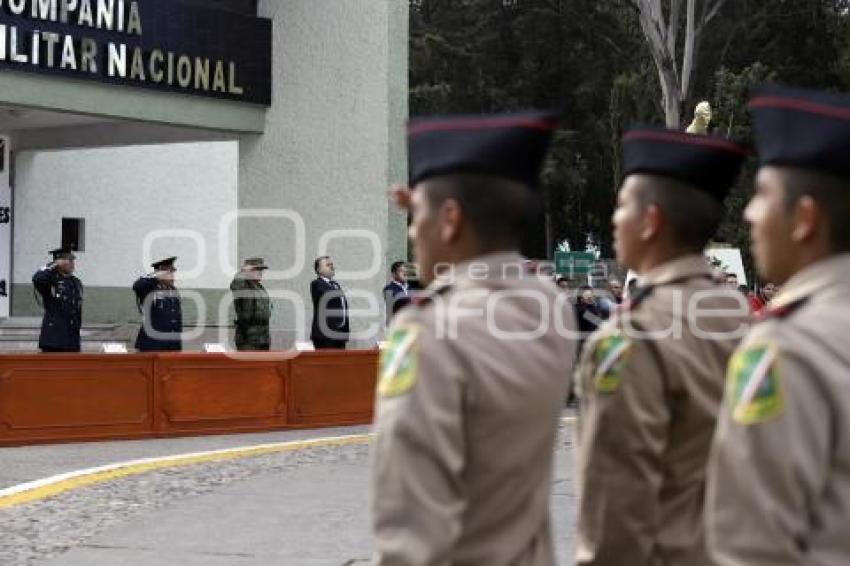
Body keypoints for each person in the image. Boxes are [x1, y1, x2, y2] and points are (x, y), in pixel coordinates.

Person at [372, 110, 576, 565]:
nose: (411, 232)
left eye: (415, 215)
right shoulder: (548, 307)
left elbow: (411, 526)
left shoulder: (429, 329)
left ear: (449, 220)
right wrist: (433, 200)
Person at [573, 126, 749, 566]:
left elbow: (615, 506)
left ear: (650, 221)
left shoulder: (631, 337)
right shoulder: (741, 316)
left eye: (621, 207)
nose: (614, 221)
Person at [705, 85, 850, 565]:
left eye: (762, 195)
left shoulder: (783, 347)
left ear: (805, 218)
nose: (748, 213)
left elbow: (751, 546)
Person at [32, 247, 83, 353]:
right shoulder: (50, 280)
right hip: (53, 339)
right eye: (69, 260)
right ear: (61, 262)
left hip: (72, 339)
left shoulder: (76, 282)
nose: (72, 263)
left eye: (72, 260)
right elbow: (37, 278)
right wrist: (53, 264)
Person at [133, 257, 182, 352]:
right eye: (169, 273)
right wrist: (155, 275)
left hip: (171, 344)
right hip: (152, 343)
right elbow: (137, 286)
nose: (172, 276)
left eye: (172, 272)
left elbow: (174, 318)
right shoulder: (149, 289)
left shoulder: (173, 290)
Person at [230, 257, 271, 351]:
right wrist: (243, 271)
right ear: (248, 271)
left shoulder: (259, 287)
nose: (260, 272)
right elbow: (235, 285)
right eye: (257, 269)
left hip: (263, 338)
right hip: (248, 339)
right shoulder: (243, 285)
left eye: (261, 270)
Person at [309, 256, 349, 349]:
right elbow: (326, 293)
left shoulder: (336, 285)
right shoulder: (316, 284)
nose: (332, 267)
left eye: (332, 265)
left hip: (339, 333)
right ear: (318, 269)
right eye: (328, 265)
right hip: (325, 335)